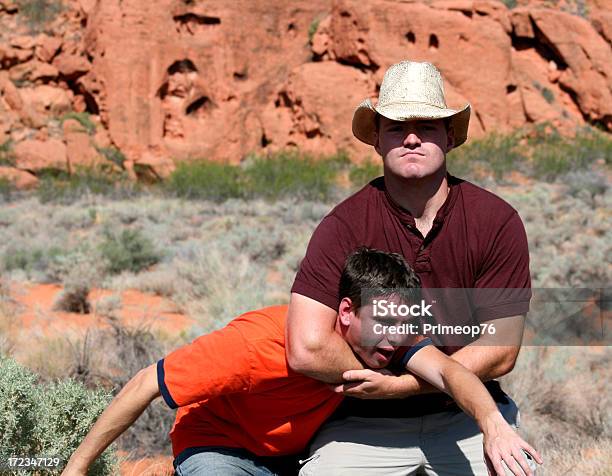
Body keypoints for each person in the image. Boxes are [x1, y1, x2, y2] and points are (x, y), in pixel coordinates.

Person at [61, 249, 540, 476]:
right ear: (346, 312)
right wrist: (78, 466)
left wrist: (494, 425)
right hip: (222, 449)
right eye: (385, 323)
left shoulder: (391, 340)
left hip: (292, 456)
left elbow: (452, 372)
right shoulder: (255, 345)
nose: (396, 338)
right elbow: (149, 381)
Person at [287, 61, 537, 475]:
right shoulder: (344, 224)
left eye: (428, 126)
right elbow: (306, 347)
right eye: (396, 128)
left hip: (466, 415)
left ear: (451, 137)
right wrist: (388, 388)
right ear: (376, 141)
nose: (412, 138)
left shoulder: (496, 220)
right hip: (361, 423)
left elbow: (501, 350)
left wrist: (400, 386)